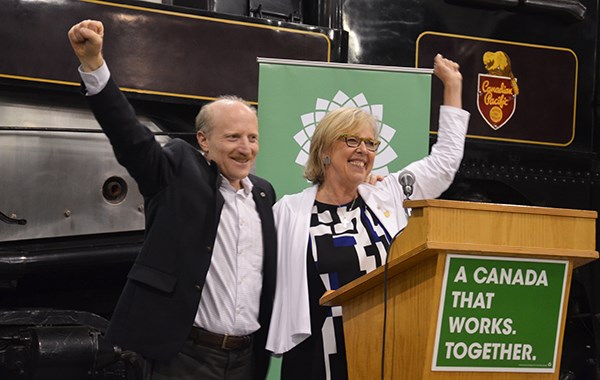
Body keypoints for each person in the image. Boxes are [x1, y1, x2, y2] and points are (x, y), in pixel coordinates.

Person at [67, 20, 277, 380]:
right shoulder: (179, 171)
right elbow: (131, 139)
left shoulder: (264, 194)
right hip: (184, 357)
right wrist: (94, 65)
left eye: (252, 138)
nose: (245, 149)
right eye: (233, 137)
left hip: (246, 359)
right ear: (203, 141)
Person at [266, 54, 469, 380]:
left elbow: (443, 165)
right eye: (352, 140)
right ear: (325, 151)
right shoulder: (289, 212)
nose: (364, 149)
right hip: (315, 357)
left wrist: (454, 87)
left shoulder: (388, 193)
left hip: (383, 351)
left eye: (370, 143)